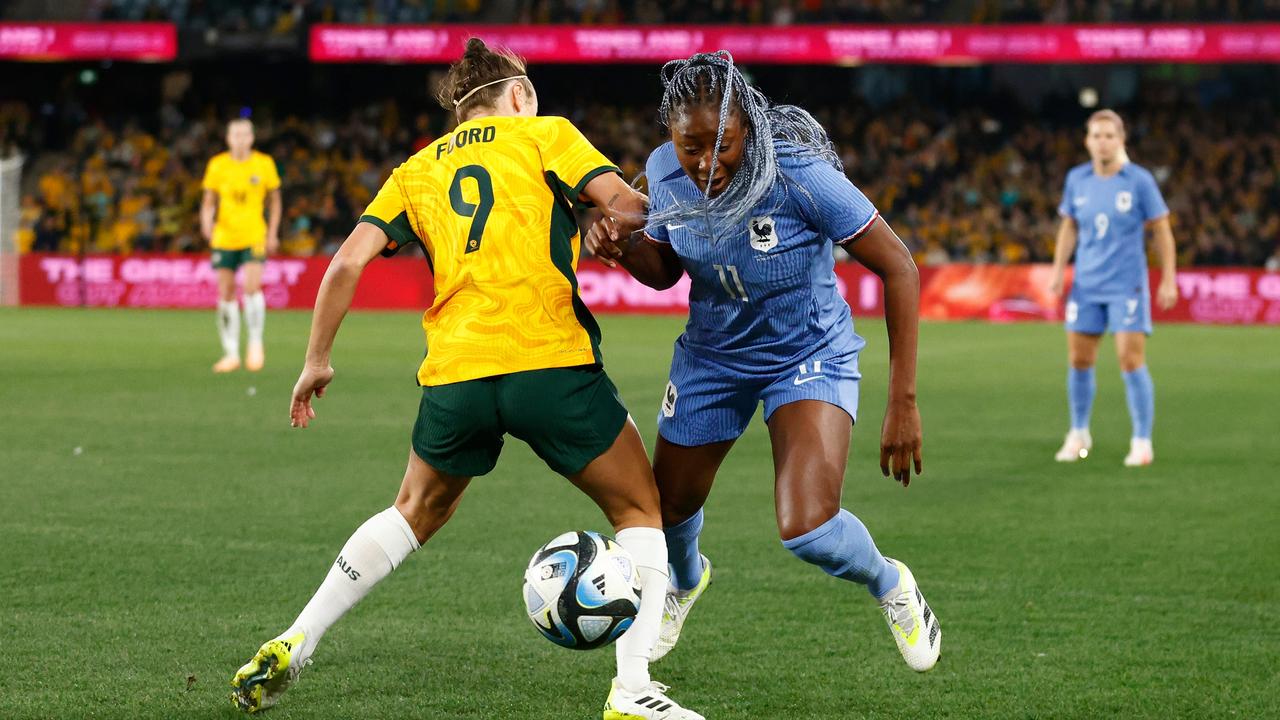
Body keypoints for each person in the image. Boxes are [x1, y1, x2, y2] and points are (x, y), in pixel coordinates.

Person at [228, 39, 702, 720]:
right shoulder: (545, 135)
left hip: (457, 375)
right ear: (518, 95)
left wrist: (316, 361)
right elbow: (629, 206)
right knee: (640, 510)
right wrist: (626, 218)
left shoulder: (416, 170)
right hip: (548, 362)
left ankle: (297, 637)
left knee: (415, 510)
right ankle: (632, 690)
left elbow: (345, 264)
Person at [585, 51, 940, 673]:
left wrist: (902, 400)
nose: (704, 164)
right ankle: (684, 582)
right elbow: (665, 272)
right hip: (712, 357)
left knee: (808, 528)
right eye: (690, 146)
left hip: (806, 352)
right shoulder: (665, 171)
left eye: (721, 145)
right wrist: (621, 247)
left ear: (748, 126)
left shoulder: (799, 174)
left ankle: (890, 583)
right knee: (666, 512)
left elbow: (899, 267)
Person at [1049, 109, 1178, 467]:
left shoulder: (1139, 181)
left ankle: (1141, 441)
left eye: (1109, 135)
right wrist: (1059, 271)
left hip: (1127, 286)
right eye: (1096, 135)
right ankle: (1078, 433)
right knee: (1079, 359)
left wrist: (1169, 277)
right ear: (1087, 141)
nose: (1102, 142)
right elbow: (1069, 227)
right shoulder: (1077, 179)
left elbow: (1161, 229)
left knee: (1130, 359)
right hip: (1087, 284)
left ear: (1121, 140)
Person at [201, 117, 282, 373]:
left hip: (254, 234)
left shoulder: (264, 164)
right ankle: (231, 352)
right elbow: (208, 201)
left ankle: (255, 344)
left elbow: (276, 201)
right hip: (224, 236)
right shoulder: (217, 165)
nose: (240, 139)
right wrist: (206, 223)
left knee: (251, 287)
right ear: (228, 138)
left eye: (245, 134)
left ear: (252, 137)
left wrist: (272, 232)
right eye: (235, 134)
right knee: (225, 292)